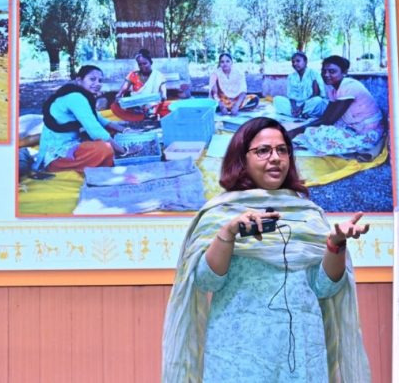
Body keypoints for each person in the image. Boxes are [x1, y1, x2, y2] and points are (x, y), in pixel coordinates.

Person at [162, 117, 371, 382]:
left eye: (282, 150)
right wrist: (228, 234)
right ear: (242, 158)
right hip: (238, 356)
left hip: (301, 355)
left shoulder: (308, 214)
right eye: (263, 150)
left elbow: (324, 287)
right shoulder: (220, 213)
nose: (275, 158)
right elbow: (207, 282)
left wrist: (335, 244)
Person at [33, 65, 129, 173]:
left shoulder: (79, 94)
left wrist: (126, 130)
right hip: (57, 155)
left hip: (73, 143)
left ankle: (104, 156)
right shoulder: (76, 97)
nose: (97, 83)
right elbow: (95, 130)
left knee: (109, 133)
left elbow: (98, 118)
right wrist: (124, 151)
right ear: (79, 80)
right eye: (92, 79)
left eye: (100, 80)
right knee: (104, 148)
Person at [290, 55, 386, 160]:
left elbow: (330, 120)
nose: (326, 75)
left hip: (367, 132)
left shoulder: (349, 85)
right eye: (324, 71)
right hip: (353, 127)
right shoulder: (333, 90)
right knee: (311, 127)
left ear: (344, 72)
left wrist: (298, 130)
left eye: (332, 71)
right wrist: (303, 128)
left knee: (316, 133)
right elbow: (326, 116)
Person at [111, 49, 170, 121]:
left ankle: (148, 115)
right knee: (114, 106)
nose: (142, 66)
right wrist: (118, 98)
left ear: (151, 62)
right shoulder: (133, 74)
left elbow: (164, 95)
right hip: (136, 107)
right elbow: (121, 91)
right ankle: (143, 116)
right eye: (140, 64)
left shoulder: (159, 76)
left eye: (145, 63)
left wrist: (155, 102)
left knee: (169, 106)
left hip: (153, 105)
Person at [273, 51, 327, 118]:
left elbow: (315, 94)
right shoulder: (291, 77)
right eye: (293, 62)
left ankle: (297, 113)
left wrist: (301, 107)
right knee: (277, 99)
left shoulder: (313, 73)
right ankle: (302, 114)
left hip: (309, 103)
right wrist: (294, 107)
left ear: (305, 62)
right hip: (296, 103)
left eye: (298, 61)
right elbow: (291, 96)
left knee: (318, 101)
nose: (295, 64)